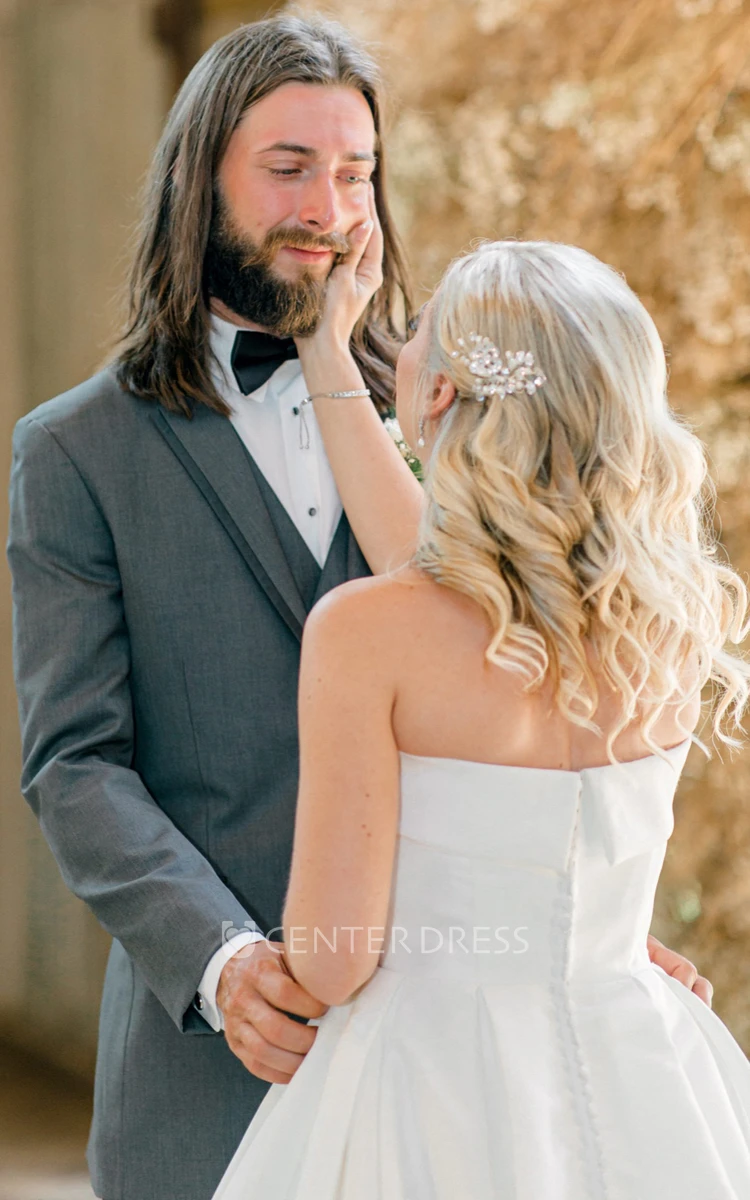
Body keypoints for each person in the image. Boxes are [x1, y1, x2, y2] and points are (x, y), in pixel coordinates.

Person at [6, 14, 711, 1200]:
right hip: (213, 1062)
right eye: (289, 169)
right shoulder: (75, 452)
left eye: (354, 173)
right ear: (200, 180)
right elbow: (76, 763)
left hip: (475, 1088)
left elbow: (527, 679)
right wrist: (223, 964)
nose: (327, 207)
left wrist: (573, 915)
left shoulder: (463, 412)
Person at [210, 238, 750, 1200]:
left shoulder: (367, 634)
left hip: (426, 1088)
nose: (402, 344)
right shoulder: (668, 625)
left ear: (445, 400)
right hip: (640, 1063)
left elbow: (333, 962)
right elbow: (443, 579)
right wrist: (327, 355)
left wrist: (252, 966)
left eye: (415, 334)